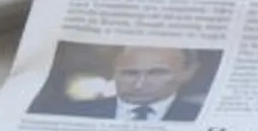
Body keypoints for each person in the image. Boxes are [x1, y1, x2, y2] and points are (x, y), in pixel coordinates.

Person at [58, 46, 208, 124]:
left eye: (156, 73)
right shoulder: (74, 113)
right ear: (114, 72)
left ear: (187, 72)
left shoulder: (201, 116)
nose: (139, 84)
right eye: (129, 73)